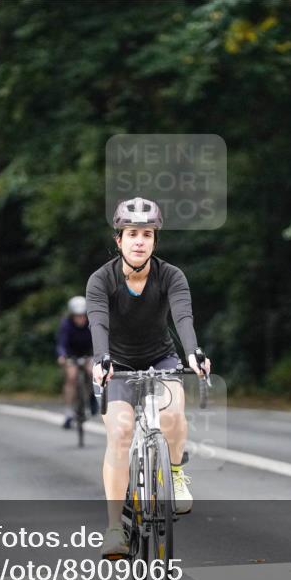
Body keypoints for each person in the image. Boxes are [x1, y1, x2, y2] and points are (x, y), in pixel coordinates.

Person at [87, 197, 211, 557]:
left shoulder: (171, 275)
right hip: (118, 363)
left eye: (146, 234)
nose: (139, 241)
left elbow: (183, 318)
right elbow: (98, 322)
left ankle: (174, 473)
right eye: (132, 234)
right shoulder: (101, 280)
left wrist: (193, 352)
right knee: (121, 431)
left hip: (161, 357)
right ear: (119, 240)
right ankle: (114, 528)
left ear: (155, 239)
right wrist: (101, 359)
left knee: (172, 414)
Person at [56, 295, 96, 429]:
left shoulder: (92, 323)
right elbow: (61, 343)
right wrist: (62, 356)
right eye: (77, 316)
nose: (81, 318)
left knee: (92, 372)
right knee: (71, 377)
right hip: (71, 355)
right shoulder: (66, 325)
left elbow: (98, 341)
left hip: (88, 354)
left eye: (83, 315)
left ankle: (91, 398)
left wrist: (96, 356)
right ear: (72, 315)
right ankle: (68, 412)